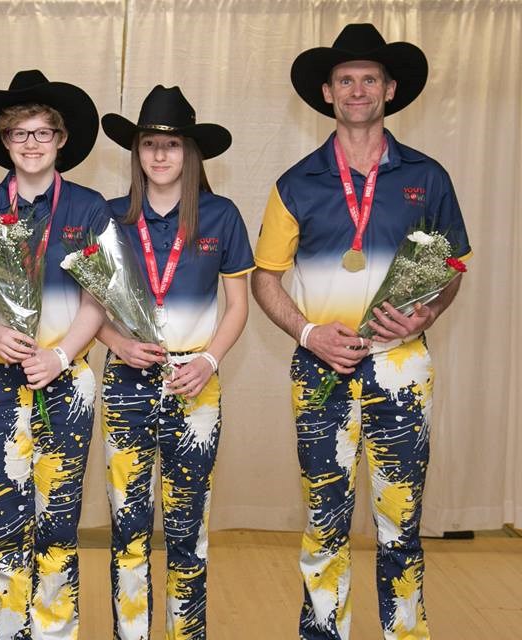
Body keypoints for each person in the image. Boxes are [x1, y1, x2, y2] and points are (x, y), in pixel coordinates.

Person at [251, 24, 471, 639]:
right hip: (321, 367)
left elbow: (452, 268)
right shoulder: (294, 183)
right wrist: (307, 333)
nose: (357, 90)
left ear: (390, 89)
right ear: (327, 92)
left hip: (402, 366)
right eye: (345, 80)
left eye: (369, 79)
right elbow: (266, 279)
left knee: (401, 522)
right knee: (326, 520)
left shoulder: (427, 177)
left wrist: (429, 313)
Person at [0, 70, 109, 640]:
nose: (32, 144)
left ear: (62, 139)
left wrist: (62, 356)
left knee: (60, 522)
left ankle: (55, 632)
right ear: (4, 141)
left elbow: (99, 302)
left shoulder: (91, 208)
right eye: (20, 134)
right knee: (6, 520)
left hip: (66, 383)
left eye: (44, 133)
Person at [98, 85, 253, 639]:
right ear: (136, 153)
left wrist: (209, 360)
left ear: (191, 153)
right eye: (148, 144)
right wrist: (117, 344)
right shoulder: (110, 217)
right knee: (128, 528)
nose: (159, 155)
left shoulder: (221, 215)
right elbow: (88, 306)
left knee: (189, 531)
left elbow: (238, 306)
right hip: (125, 387)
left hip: (196, 386)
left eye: (171, 144)